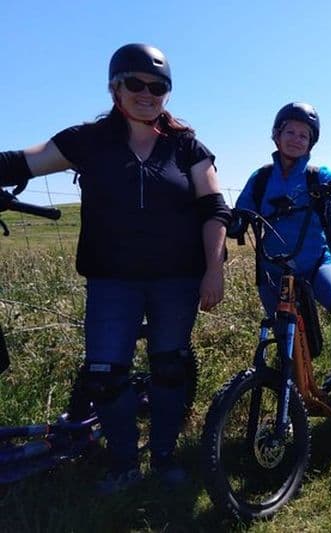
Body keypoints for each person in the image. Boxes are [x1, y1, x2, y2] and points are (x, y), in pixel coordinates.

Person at [0, 43, 230, 493]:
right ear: (114, 88)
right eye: (135, 84)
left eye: (158, 86)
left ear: (168, 93)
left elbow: (215, 210)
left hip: (175, 280)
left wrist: (214, 269)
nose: (147, 94)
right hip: (111, 280)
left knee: (170, 367)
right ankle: (123, 461)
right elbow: (19, 163)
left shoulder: (187, 146)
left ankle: (164, 457)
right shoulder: (86, 141)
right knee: (105, 374)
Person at [235, 102, 331, 418]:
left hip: (316, 264)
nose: (297, 139)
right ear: (276, 135)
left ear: (311, 142)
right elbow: (239, 216)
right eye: (291, 132)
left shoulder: (317, 175)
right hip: (273, 271)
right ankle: (292, 408)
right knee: (288, 341)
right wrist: (228, 221)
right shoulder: (260, 179)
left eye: (304, 135)